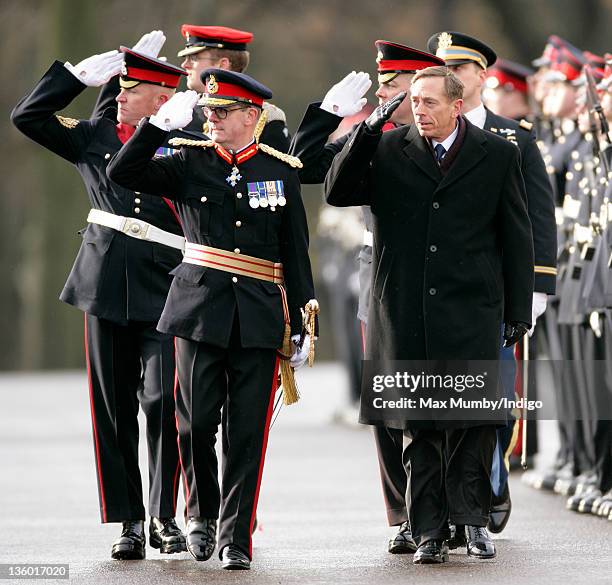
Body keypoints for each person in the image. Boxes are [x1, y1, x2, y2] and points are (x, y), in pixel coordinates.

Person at [107, 68, 316, 569]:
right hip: (199, 310)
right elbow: (121, 172)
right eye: (208, 111)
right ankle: (200, 514)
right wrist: (156, 127)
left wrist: (304, 322)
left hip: (260, 314)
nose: (212, 119)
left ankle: (235, 536)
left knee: (247, 432)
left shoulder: (280, 169)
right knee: (195, 423)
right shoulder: (185, 159)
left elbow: (295, 251)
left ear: (253, 117)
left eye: (223, 112)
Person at [325, 66, 534, 564]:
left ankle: (473, 522)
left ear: (456, 105)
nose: (419, 109)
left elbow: (516, 236)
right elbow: (336, 188)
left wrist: (518, 309)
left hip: (473, 306)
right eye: (414, 101)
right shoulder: (387, 148)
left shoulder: (498, 153)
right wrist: (369, 126)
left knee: (473, 421)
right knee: (419, 424)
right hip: (405, 306)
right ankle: (429, 532)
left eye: (430, 102)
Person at [10, 34, 191, 559]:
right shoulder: (92, 136)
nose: (119, 94)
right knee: (113, 408)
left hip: (166, 284)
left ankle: (163, 515)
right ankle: (129, 521)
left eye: (131, 89)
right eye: (119, 87)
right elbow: (27, 118)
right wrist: (70, 78)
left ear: (161, 98)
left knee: (162, 401)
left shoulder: (183, 141)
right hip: (104, 280)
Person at [290, 43, 444, 553]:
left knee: (453, 395)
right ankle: (403, 514)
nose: (382, 94)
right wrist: (327, 114)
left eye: (391, 87)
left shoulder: (450, 140)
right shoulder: (371, 137)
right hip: (381, 274)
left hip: (445, 277)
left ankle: (463, 513)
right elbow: (306, 166)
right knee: (387, 402)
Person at [427, 30, 557, 534]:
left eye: (460, 69)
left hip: (496, 292)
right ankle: (452, 505)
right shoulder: (422, 133)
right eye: (443, 69)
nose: (451, 77)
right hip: (439, 291)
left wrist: (537, 287)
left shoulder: (515, 139)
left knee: (494, 404)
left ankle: (490, 483)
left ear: (483, 76)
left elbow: (538, 218)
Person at [178, 24, 290, 151]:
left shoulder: (267, 118)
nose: (185, 64)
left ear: (222, 64)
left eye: (193, 58)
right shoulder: (181, 111)